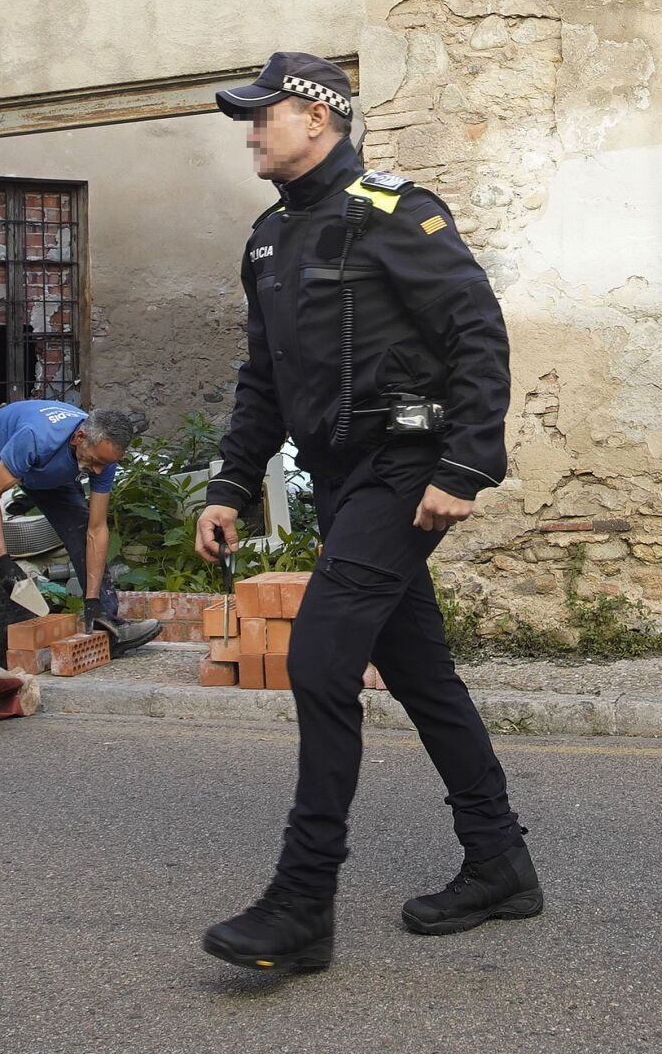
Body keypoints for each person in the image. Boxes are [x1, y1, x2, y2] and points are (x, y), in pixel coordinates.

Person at [196, 51, 541, 972]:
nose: (249, 131)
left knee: (316, 659)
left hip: (405, 470)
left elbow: (475, 329)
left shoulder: (395, 212)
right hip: (341, 480)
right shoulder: (268, 239)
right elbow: (260, 378)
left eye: (262, 115)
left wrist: (466, 463)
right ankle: (499, 859)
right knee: (422, 674)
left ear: (317, 118)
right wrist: (231, 483)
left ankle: (302, 901)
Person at [0, 400, 162, 655]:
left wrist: (93, 600)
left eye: (104, 465)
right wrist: (4, 561)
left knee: (79, 530)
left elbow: (96, 529)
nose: (97, 470)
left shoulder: (103, 455)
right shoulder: (37, 437)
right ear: (79, 437)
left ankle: (106, 622)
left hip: (43, 461)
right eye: (95, 461)